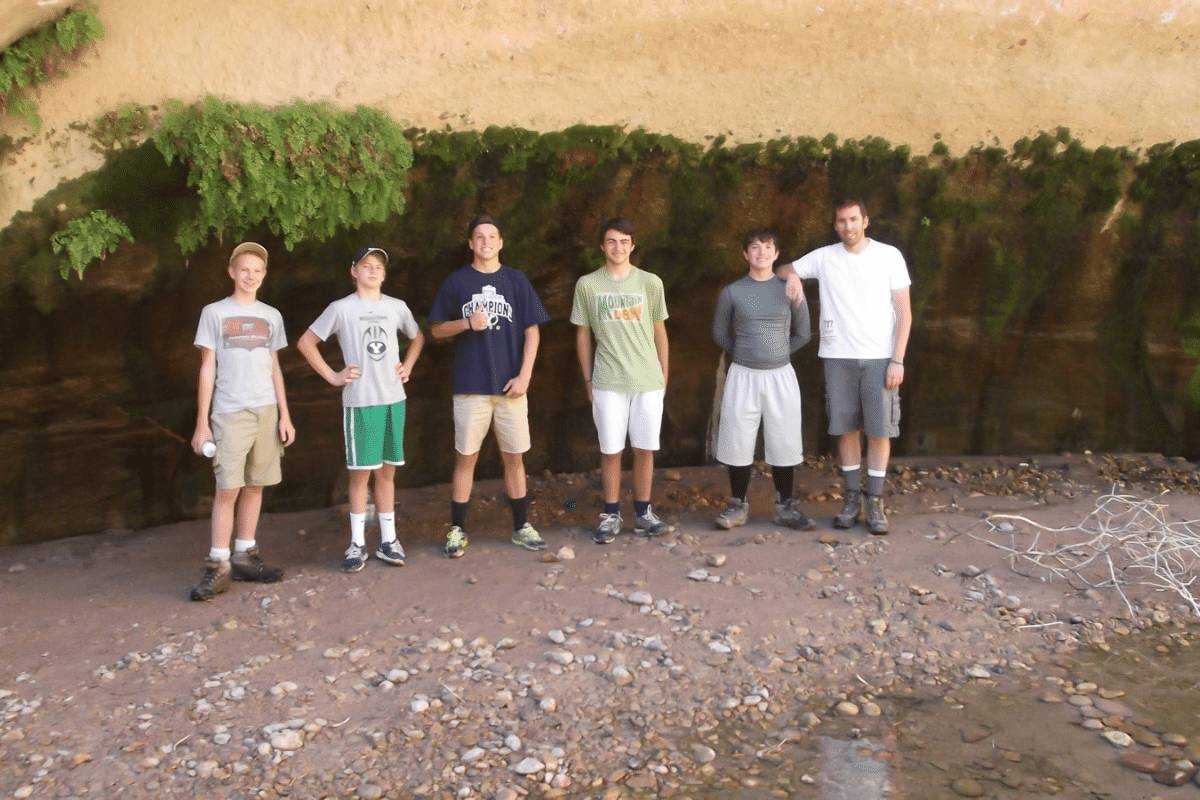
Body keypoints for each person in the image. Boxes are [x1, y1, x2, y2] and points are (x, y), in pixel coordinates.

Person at [779, 199, 912, 534]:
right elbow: (782, 269)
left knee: (880, 430)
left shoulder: (889, 256)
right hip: (838, 356)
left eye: (853, 219)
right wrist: (793, 278)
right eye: (841, 221)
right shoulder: (825, 257)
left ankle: (875, 501)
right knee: (846, 428)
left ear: (865, 221)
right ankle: (851, 498)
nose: (848, 226)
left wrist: (897, 359)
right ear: (835, 225)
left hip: (880, 356)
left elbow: (904, 313)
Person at [428, 214, 550, 557]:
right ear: (470, 243)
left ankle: (521, 526)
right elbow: (435, 329)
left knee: (515, 457)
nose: (486, 242)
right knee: (466, 458)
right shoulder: (457, 281)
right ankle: (457, 529)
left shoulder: (516, 280)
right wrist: (467, 322)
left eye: (492, 236)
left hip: (511, 386)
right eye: (479, 237)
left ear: (501, 242)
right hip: (471, 385)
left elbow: (532, 330)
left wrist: (525, 375)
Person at [297, 246, 425, 572]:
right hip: (361, 400)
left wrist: (408, 366)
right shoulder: (341, 308)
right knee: (360, 474)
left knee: (387, 472)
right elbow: (306, 342)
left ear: (385, 273)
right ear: (353, 271)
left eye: (378, 266)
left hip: (393, 398)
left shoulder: (396, 306)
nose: (373, 270)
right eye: (366, 265)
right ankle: (356, 544)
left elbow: (418, 337)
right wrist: (333, 376)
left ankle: (389, 541)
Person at [189, 242, 295, 601]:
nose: (251, 276)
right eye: (244, 269)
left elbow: (275, 367)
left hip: (266, 409)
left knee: (255, 484)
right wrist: (202, 422)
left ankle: (245, 555)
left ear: (264, 275)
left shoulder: (271, 315)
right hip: (230, 411)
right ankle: (218, 564)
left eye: (257, 270)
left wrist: (285, 415)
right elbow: (207, 367)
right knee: (228, 488)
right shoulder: (214, 313)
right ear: (232, 272)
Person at [571, 218, 670, 544]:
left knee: (644, 448)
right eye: (612, 241)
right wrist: (588, 380)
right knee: (611, 449)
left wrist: (664, 375)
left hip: (647, 380)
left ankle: (643, 512)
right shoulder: (588, 284)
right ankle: (611, 514)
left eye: (624, 241)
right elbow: (583, 335)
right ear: (602, 246)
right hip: (608, 380)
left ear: (633, 245)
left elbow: (660, 331)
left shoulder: (650, 282)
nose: (618, 247)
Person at [711, 228, 813, 530]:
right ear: (745, 254)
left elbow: (804, 333)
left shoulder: (789, 288)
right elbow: (719, 332)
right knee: (737, 438)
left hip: (781, 375)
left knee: (784, 439)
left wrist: (777, 353)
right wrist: (745, 353)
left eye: (768, 247)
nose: (762, 252)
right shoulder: (732, 292)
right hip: (743, 375)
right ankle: (737, 506)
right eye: (755, 247)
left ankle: (785, 507)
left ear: (777, 253)